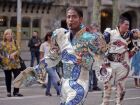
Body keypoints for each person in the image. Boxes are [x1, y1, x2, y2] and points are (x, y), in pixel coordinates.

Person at [13, 7, 107, 105]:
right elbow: (51, 58)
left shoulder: (90, 38)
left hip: (80, 85)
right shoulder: (61, 36)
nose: (71, 19)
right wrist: (32, 72)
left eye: (74, 17)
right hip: (64, 84)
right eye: (68, 17)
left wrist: (85, 61)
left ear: (80, 19)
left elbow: (101, 58)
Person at [101, 17, 139, 105]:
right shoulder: (110, 33)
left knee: (121, 87)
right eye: (126, 24)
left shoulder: (129, 35)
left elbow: (135, 45)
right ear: (120, 24)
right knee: (107, 85)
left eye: (128, 25)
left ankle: (119, 103)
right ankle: (105, 102)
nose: (128, 26)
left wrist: (134, 50)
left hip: (123, 64)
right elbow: (101, 45)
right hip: (109, 63)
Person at [0, 29, 23, 97]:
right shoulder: (2, 43)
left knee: (17, 78)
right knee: (8, 78)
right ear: (5, 35)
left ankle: (16, 92)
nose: (9, 35)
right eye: (7, 34)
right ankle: (8, 92)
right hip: (6, 64)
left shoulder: (15, 42)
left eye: (10, 34)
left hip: (16, 63)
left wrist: (14, 54)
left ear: (12, 35)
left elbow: (19, 50)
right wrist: (7, 56)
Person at [39, 32, 60, 96]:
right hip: (46, 63)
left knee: (50, 78)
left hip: (53, 63)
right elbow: (41, 55)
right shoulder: (43, 44)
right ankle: (59, 91)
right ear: (48, 37)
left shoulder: (55, 44)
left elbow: (57, 54)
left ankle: (47, 91)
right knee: (54, 78)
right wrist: (42, 65)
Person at [88, 23, 101, 91]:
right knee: (90, 72)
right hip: (90, 55)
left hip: (96, 56)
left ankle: (95, 86)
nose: (97, 30)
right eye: (96, 28)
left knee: (95, 71)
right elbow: (90, 46)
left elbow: (100, 45)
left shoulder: (97, 36)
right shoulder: (90, 36)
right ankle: (89, 86)